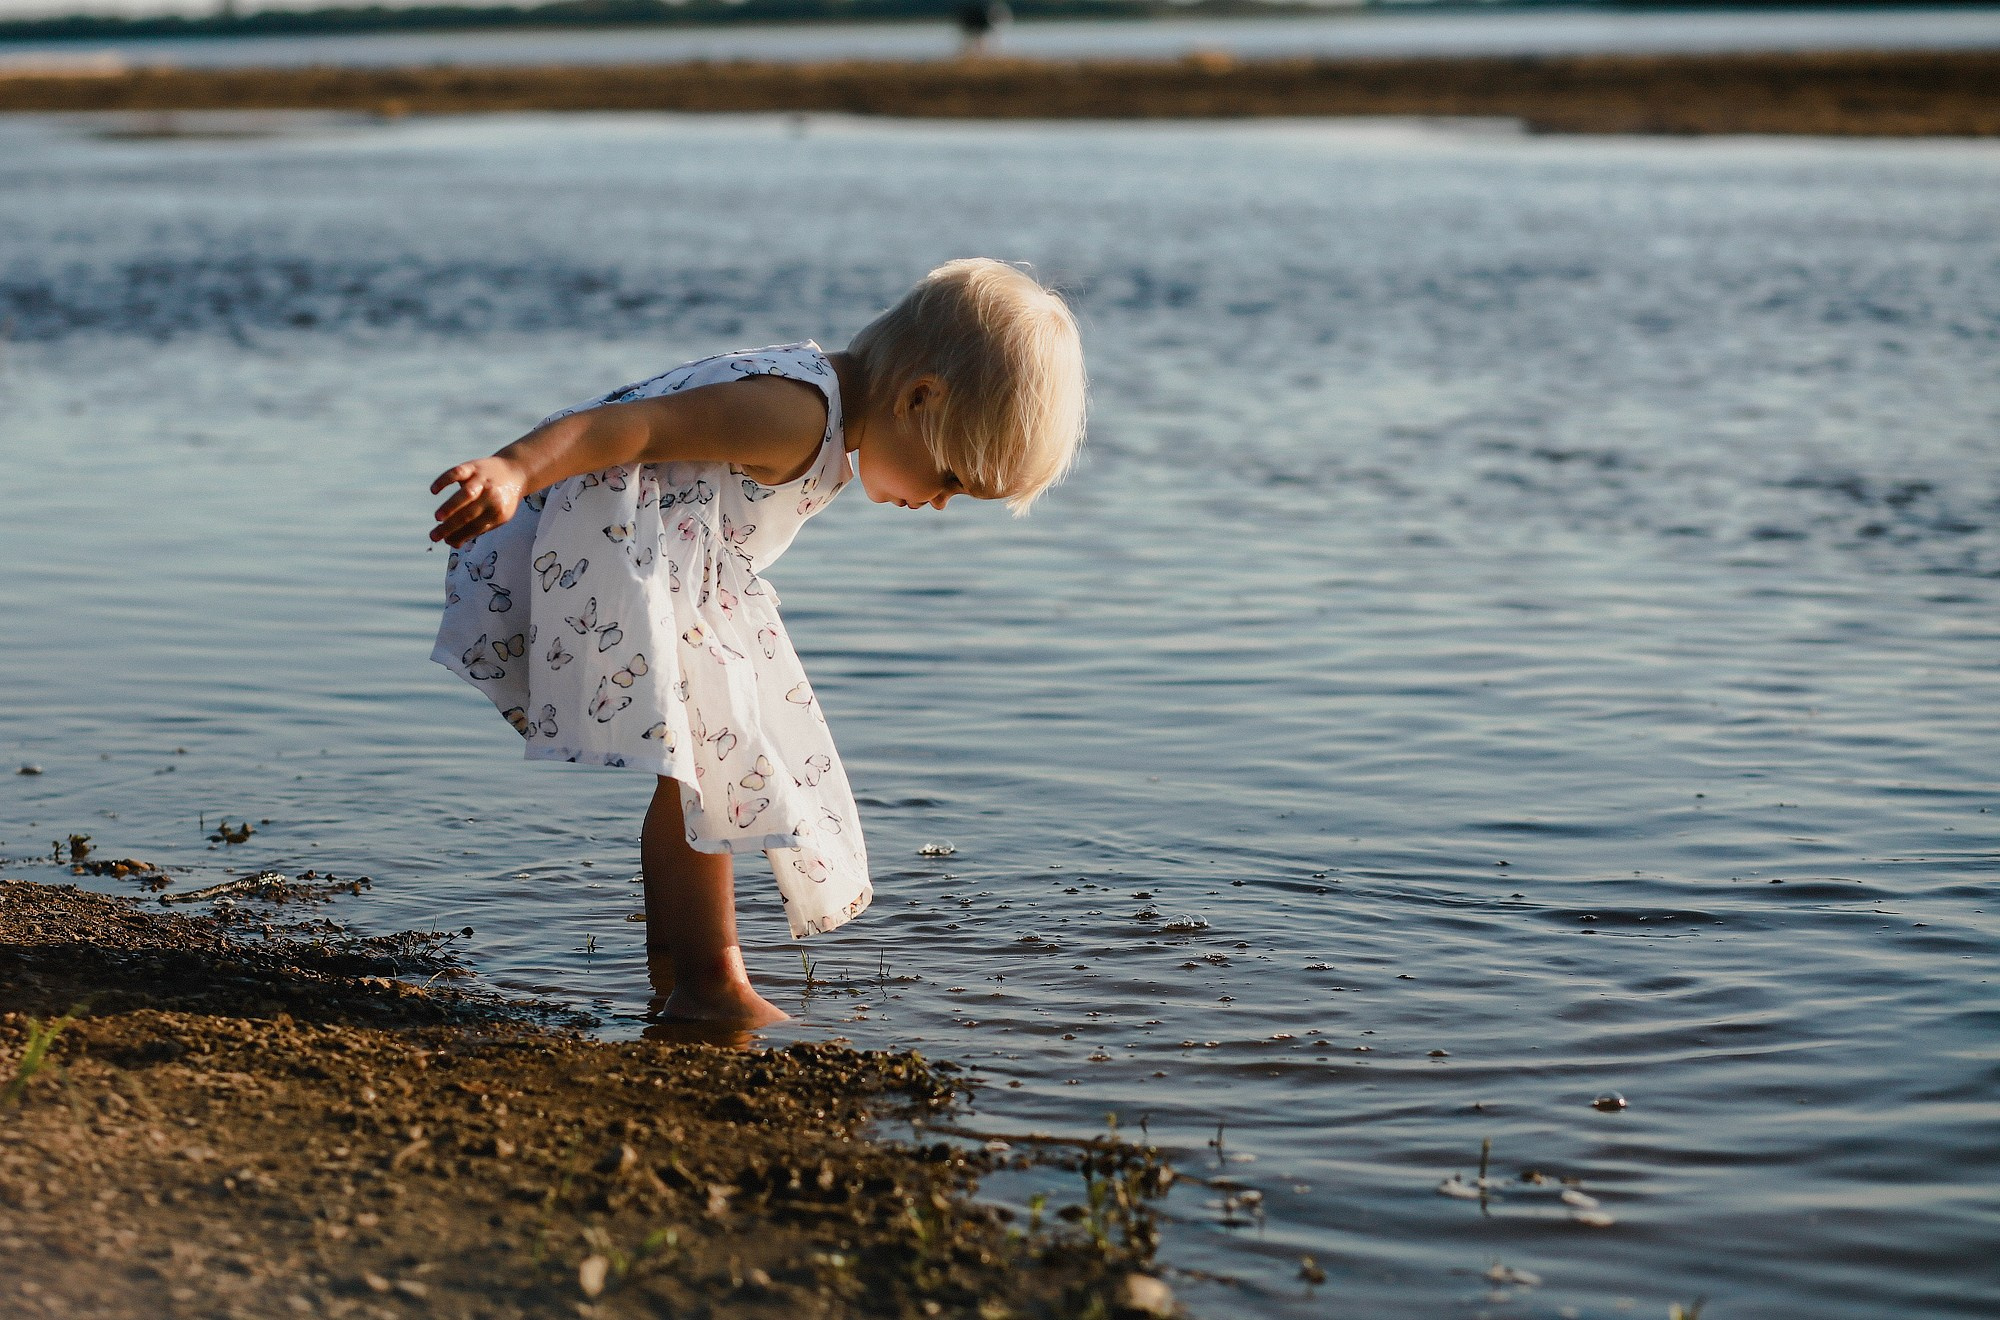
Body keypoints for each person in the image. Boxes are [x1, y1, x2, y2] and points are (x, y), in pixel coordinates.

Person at [427, 259, 1086, 1027]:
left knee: (699, 763)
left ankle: (677, 972)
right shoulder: (796, 415)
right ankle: (709, 985)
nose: (939, 503)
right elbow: (633, 427)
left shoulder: (823, 409)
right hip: (584, 548)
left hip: (654, 564)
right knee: (711, 765)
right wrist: (512, 467)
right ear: (919, 398)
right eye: (950, 478)